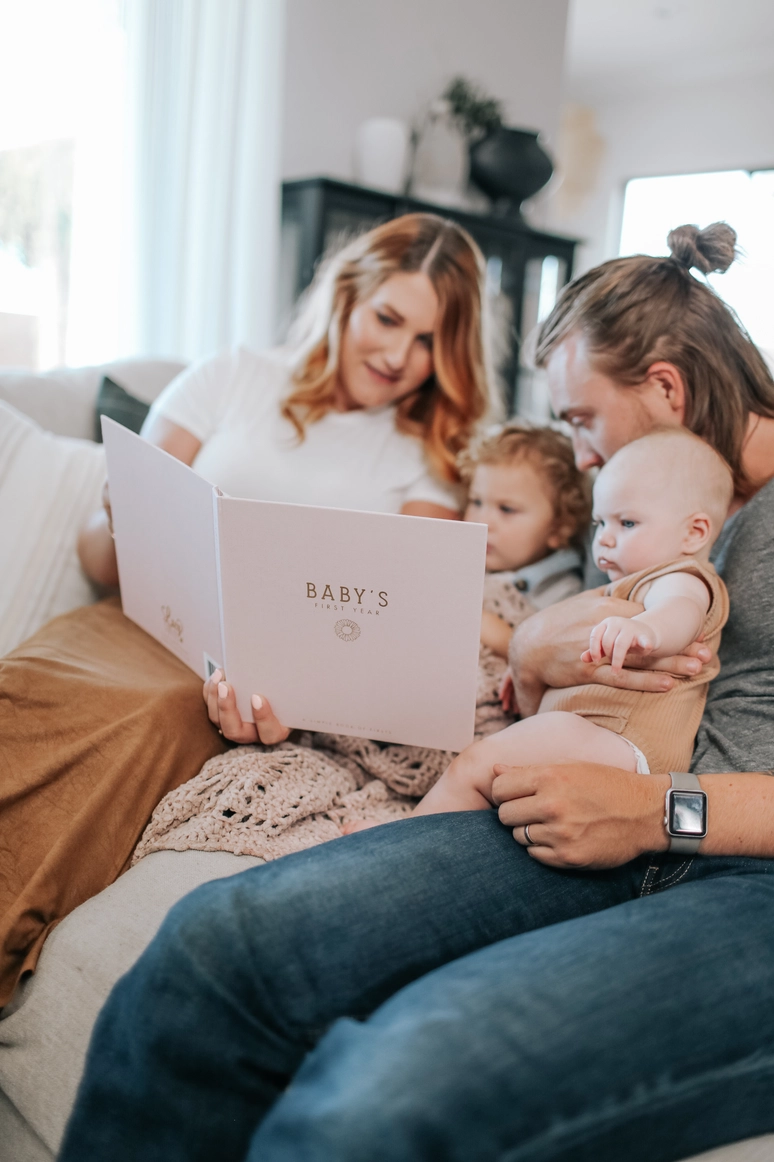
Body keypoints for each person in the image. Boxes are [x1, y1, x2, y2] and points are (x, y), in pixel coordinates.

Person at [59, 222, 774, 1162]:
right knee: (215, 945)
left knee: (382, 1101)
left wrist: (656, 811)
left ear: (667, 389)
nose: (582, 460)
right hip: (603, 803)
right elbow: (536, 647)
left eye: (581, 421)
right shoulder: (680, 504)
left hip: (719, 864)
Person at [0, 213, 497, 1009]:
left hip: (246, 687)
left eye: (431, 341)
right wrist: (125, 512)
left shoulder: (428, 454)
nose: (400, 357)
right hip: (131, 626)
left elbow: (402, 621)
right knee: (22, 695)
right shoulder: (229, 375)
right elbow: (99, 562)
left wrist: (291, 699)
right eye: (388, 319)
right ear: (346, 296)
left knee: (148, 722)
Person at [414, 427, 732, 817]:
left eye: (627, 523)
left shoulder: (681, 577)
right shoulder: (628, 587)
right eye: (600, 524)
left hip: (624, 742)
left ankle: (394, 839)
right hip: (601, 733)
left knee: (475, 766)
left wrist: (650, 631)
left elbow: (681, 610)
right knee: (490, 778)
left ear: (694, 532)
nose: (606, 540)